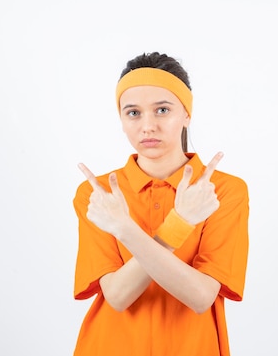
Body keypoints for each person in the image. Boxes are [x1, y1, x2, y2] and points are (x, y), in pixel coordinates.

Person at [72, 52, 250, 356]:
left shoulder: (224, 191)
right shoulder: (98, 194)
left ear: (186, 115)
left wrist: (126, 229)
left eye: (162, 110)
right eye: (133, 113)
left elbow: (200, 296)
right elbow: (117, 295)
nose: (147, 126)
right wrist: (179, 224)